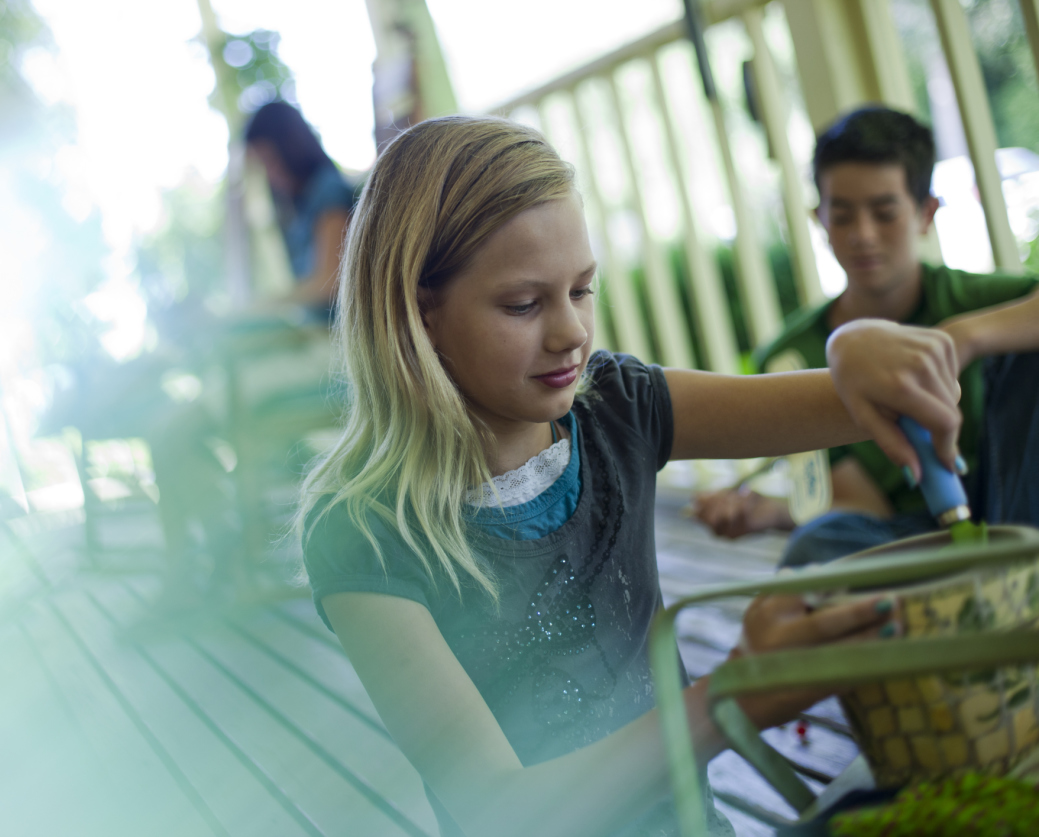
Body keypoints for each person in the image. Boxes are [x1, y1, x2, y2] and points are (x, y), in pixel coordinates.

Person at [297, 116, 964, 837]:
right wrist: (728, 699)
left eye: (581, 290)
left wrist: (857, 346)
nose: (569, 333)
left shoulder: (612, 405)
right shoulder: (362, 531)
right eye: (524, 303)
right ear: (419, 311)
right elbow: (499, 809)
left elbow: (845, 398)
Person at [693, 106, 1039, 566]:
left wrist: (962, 337)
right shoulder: (790, 355)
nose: (863, 235)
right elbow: (861, 506)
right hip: (905, 541)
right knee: (816, 545)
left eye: (884, 212)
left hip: (1011, 509)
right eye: (843, 216)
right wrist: (774, 514)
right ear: (819, 219)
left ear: (925, 212)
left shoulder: (970, 298)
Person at [244, 100, 356, 312]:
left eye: (269, 161)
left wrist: (267, 305)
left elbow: (331, 283)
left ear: (290, 147)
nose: (269, 175)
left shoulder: (328, 189)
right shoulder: (297, 204)